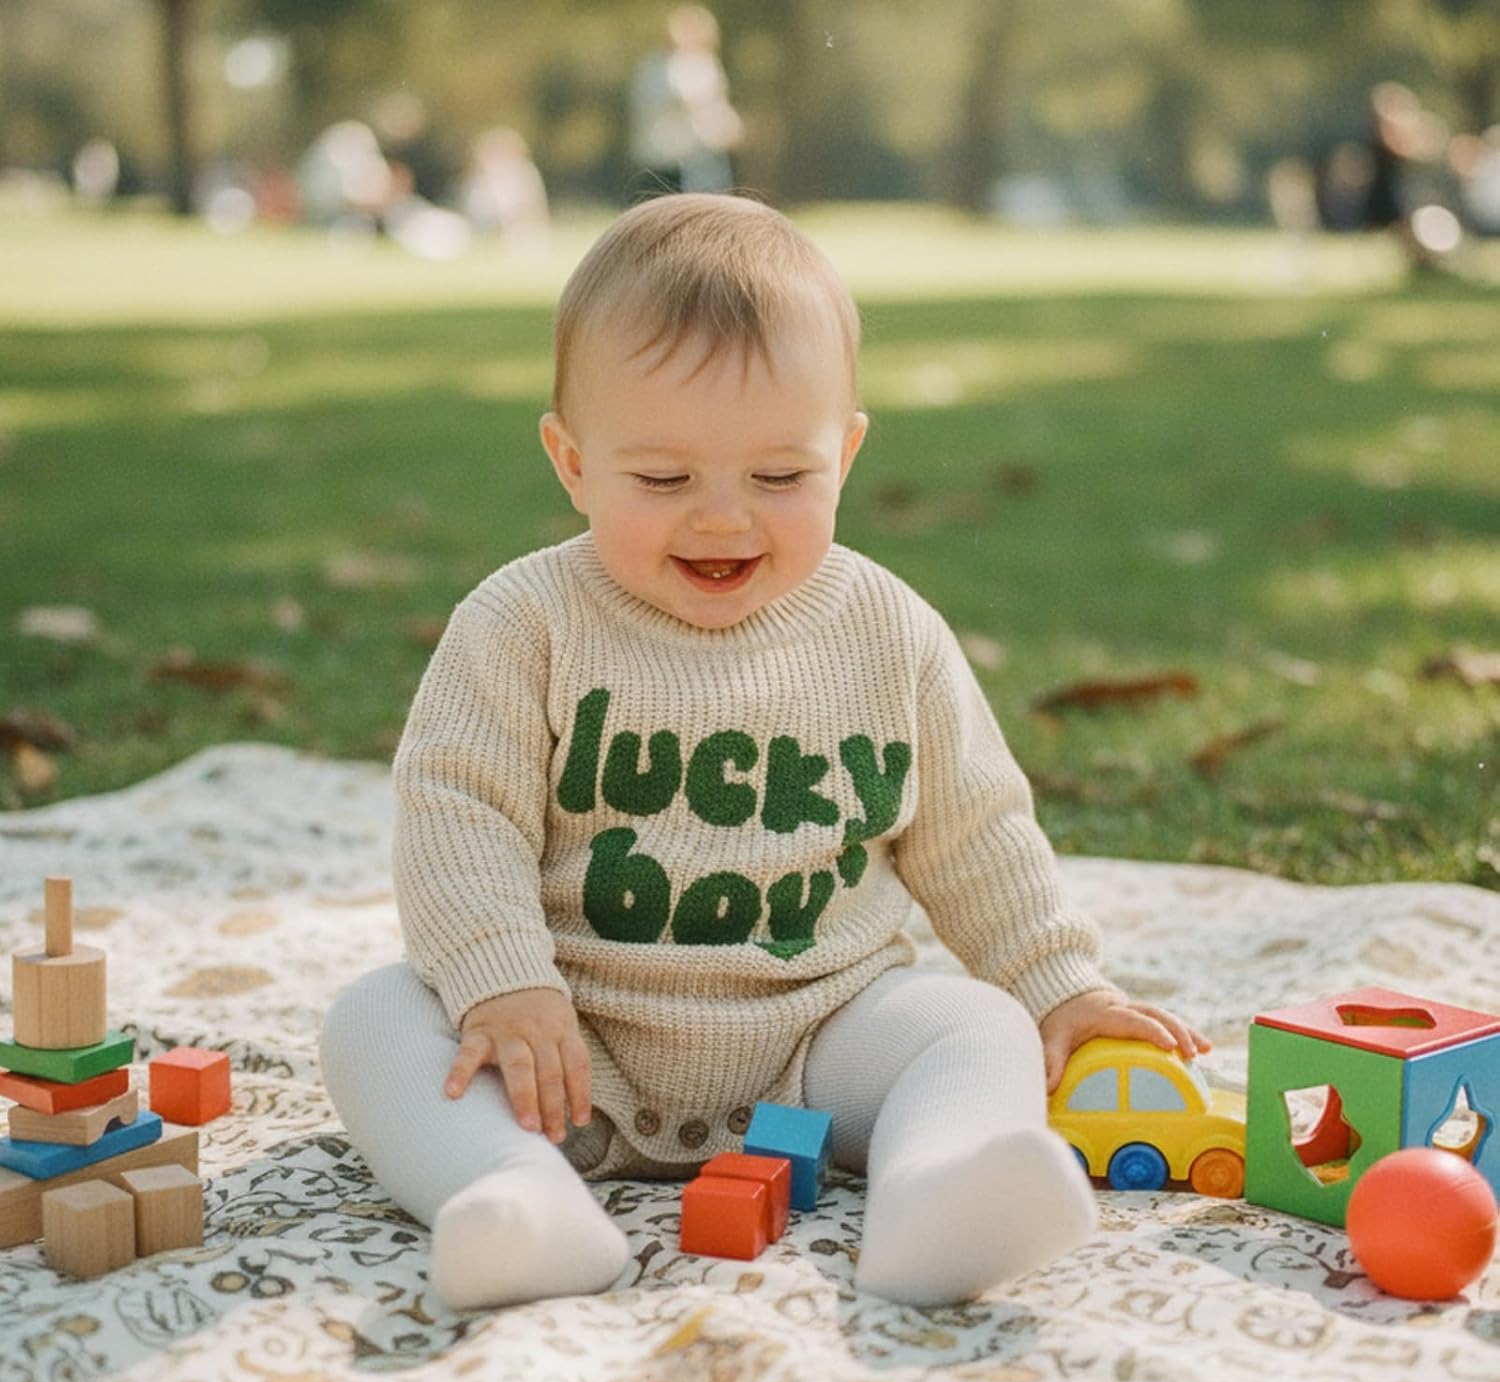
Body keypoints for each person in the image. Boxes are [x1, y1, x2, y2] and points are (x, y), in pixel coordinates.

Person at [319, 193, 1210, 1312]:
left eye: (781, 479)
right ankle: (512, 1197)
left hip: (820, 1038)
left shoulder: (887, 631)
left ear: (847, 451)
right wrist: (502, 983)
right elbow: (456, 811)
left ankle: (939, 1195)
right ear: (570, 460)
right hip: (571, 1043)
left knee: (976, 1027)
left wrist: (1055, 986)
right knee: (374, 1020)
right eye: (662, 480)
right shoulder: (524, 622)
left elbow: (975, 826)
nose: (724, 520)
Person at [627, 6, 743, 196]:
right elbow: (686, 100)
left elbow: (715, 102)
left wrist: (725, 124)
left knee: (710, 194)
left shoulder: (704, 63)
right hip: (672, 148)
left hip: (701, 146)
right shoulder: (659, 66)